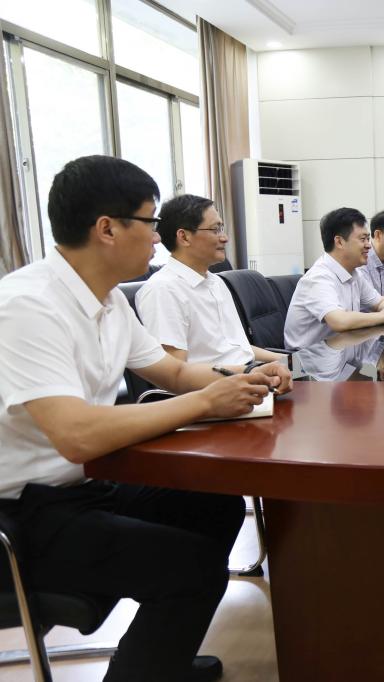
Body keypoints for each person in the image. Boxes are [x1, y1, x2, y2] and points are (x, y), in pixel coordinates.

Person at [0, 155, 292, 682]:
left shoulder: (108, 299)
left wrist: (248, 377)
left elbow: (173, 372)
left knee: (214, 505)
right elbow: (75, 434)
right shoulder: (27, 306)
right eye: (150, 222)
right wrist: (207, 402)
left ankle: (159, 658)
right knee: (189, 568)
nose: (158, 238)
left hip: (86, 484)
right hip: (23, 512)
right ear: (107, 228)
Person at [137, 194, 286, 366]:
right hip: (223, 381)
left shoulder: (216, 282)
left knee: (306, 371)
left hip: (249, 373)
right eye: (215, 230)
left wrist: (289, 363)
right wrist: (250, 375)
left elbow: (239, 350)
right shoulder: (163, 290)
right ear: (184, 237)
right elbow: (176, 372)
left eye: (221, 228)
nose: (225, 238)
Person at [284, 207, 384, 349]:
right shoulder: (318, 278)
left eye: (368, 239)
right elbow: (339, 321)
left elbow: (378, 302)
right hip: (309, 359)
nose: (368, 246)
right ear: (339, 242)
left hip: (342, 352)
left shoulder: (354, 273)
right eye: (363, 239)